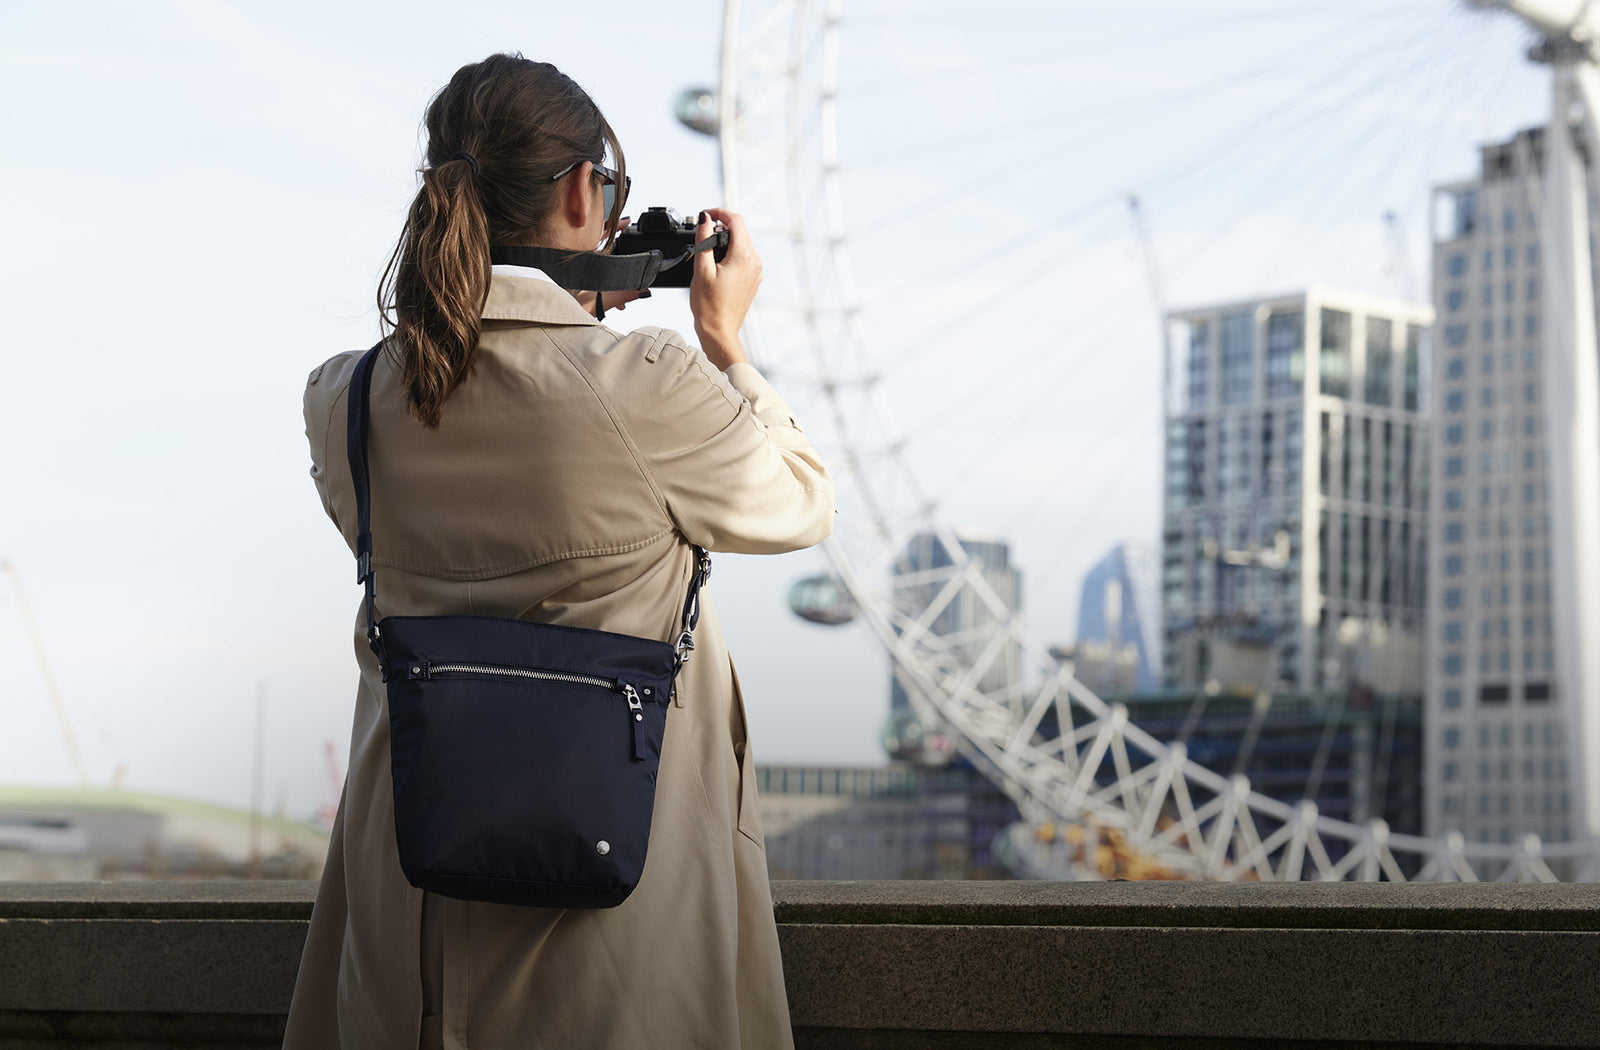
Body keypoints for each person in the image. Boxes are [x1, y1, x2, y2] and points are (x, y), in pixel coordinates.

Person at [283, 53, 834, 1050]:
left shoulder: (346, 403)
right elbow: (799, 501)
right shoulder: (652, 384)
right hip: (611, 911)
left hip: (407, 906)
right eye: (611, 191)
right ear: (585, 192)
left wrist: (579, 322)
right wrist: (728, 345)